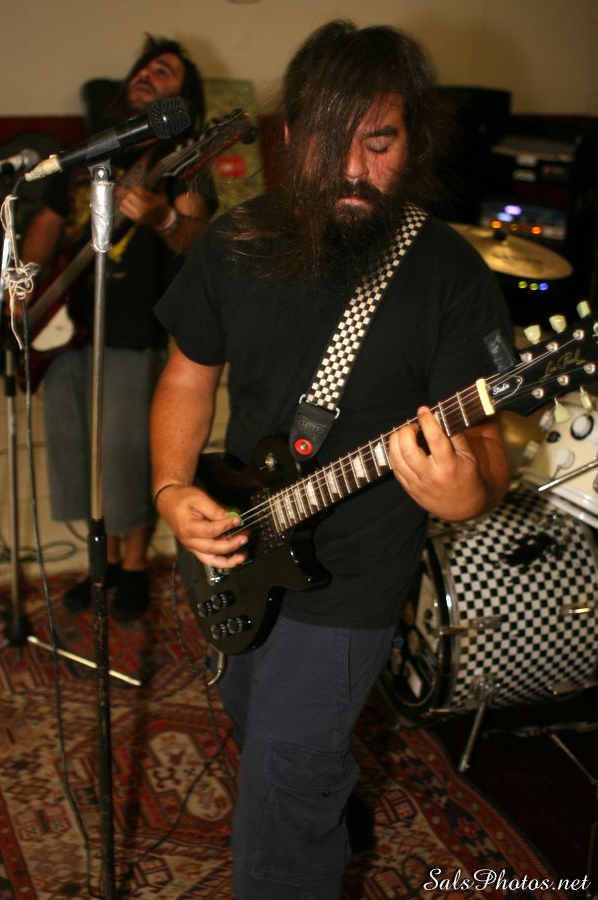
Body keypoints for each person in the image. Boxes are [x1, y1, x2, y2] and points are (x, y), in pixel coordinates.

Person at [150, 20, 512, 900]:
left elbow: (488, 452)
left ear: (412, 141)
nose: (352, 167)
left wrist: (464, 491)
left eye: (378, 142)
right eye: (328, 139)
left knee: (278, 805)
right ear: (289, 134)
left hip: (352, 584)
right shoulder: (235, 241)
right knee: (260, 729)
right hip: (245, 537)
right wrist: (168, 487)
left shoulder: (447, 273)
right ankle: (331, 808)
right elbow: (187, 377)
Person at [22, 35, 217, 621]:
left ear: (183, 99)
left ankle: (132, 568)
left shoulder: (184, 158)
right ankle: (98, 565)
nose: (147, 75)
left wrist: (161, 216)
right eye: (144, 68)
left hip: (135, 332)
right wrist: (21, 286)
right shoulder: (90, 150)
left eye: (165, 72)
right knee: (78, 455)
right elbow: (50, 220)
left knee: (127, 457)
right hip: (67, 332)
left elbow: (195, 239)